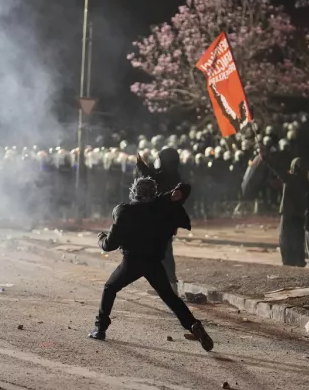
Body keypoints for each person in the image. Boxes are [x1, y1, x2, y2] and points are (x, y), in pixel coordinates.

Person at [88, 177, 214, 352]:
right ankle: (193, 325)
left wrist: (100, 238)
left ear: (134, 191)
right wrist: (179, 192)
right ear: (154, 192)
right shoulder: (162, 207)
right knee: (170, 297)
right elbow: (184, 190)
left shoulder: (124, 211)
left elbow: (110, 245)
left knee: (110, 288)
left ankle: (100, 329)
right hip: (154, 262)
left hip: (131, 262)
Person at [136, 149, 182, 293]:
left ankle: (171, 287)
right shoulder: (174, 175)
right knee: (160, 254)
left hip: (162, 221)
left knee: (164, 254)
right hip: (166, 220)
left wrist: (140, 164)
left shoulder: (168, 177)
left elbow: (151, 179)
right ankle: (165, 286)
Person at [261, 150, 309, 267]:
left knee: (286, 239)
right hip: (300, 214)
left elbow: (277, 169)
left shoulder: (291, 179)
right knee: (298, 239)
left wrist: (265, 158)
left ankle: (289, 261)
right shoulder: (306, 181)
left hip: (288, 213)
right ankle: (299, 260)